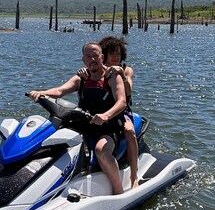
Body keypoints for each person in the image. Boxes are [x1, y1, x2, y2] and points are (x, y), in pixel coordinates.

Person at [28, 42, 127, 195]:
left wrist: (105, 115)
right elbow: (60, 90)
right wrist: (41, 93)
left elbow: (122, 101)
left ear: (102, 57)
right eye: (88, 56)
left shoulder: (112, 77)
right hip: (84, 124)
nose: (92, 59)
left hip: (107, 126)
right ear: (83, 60)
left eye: (95, 56)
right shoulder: (81, 78)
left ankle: (118, 190)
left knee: (102, 151)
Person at [78, 36, 139, 188]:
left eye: (118, 53)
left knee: (129, 130)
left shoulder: (126, 70)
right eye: (112, 53)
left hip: (122, 110)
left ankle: (134, 175)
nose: (115, 57)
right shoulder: (100, 69)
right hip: (100, 109)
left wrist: (122, 75)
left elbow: (128, 90)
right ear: (105, 55)